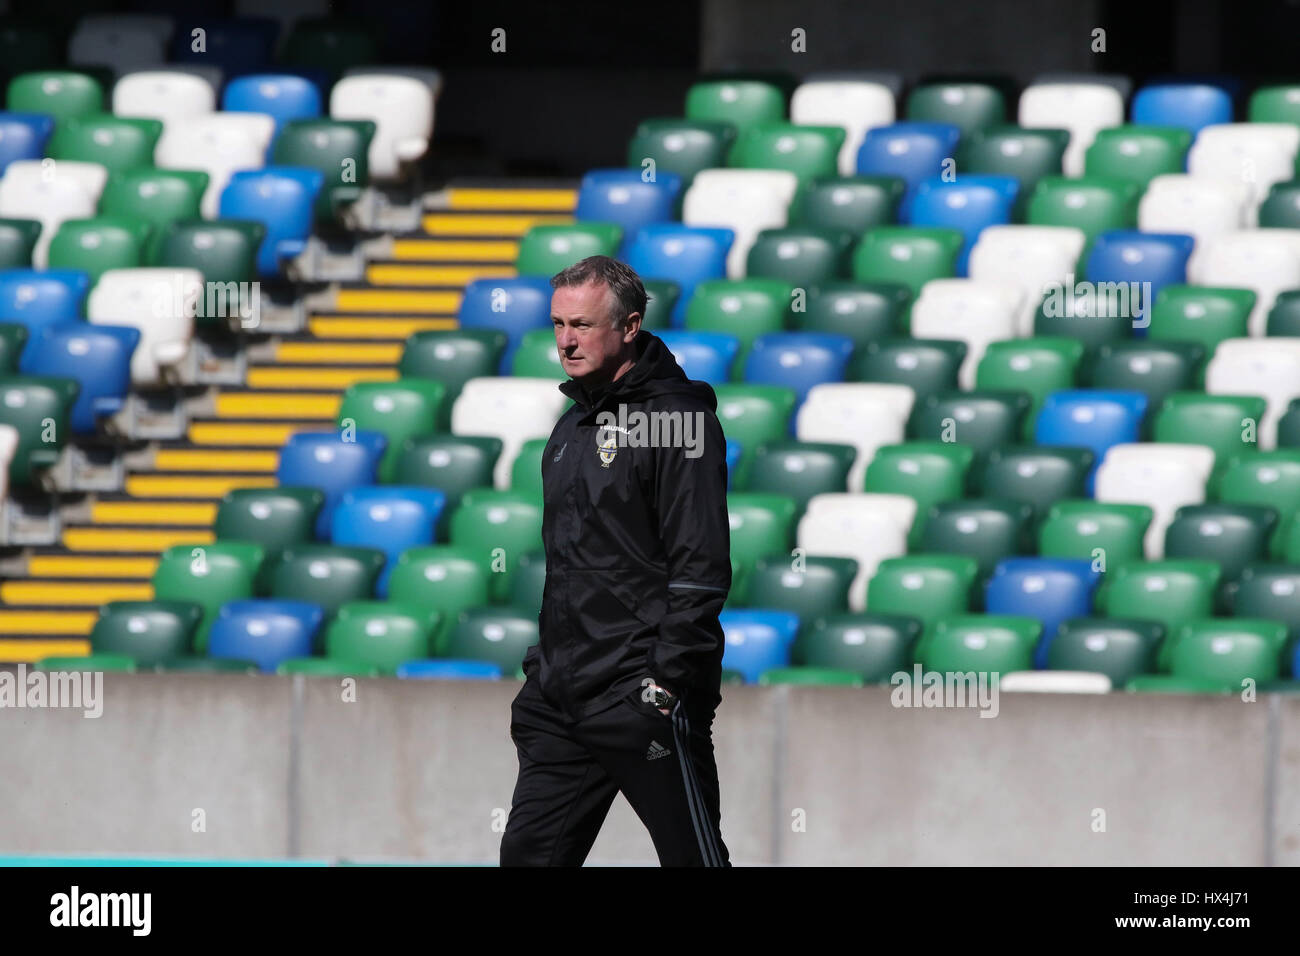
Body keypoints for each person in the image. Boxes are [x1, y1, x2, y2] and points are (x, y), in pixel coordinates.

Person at [499, 255, 732, 867]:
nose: (566, 341)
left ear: (629, 326)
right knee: (527, 857)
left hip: (638, 692)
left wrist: (662, 684)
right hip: (562, 696)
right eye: (557, 325)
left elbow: (700, 566)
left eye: (581, 325)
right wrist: (546, 667)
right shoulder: (573, 425)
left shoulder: (681, 420)